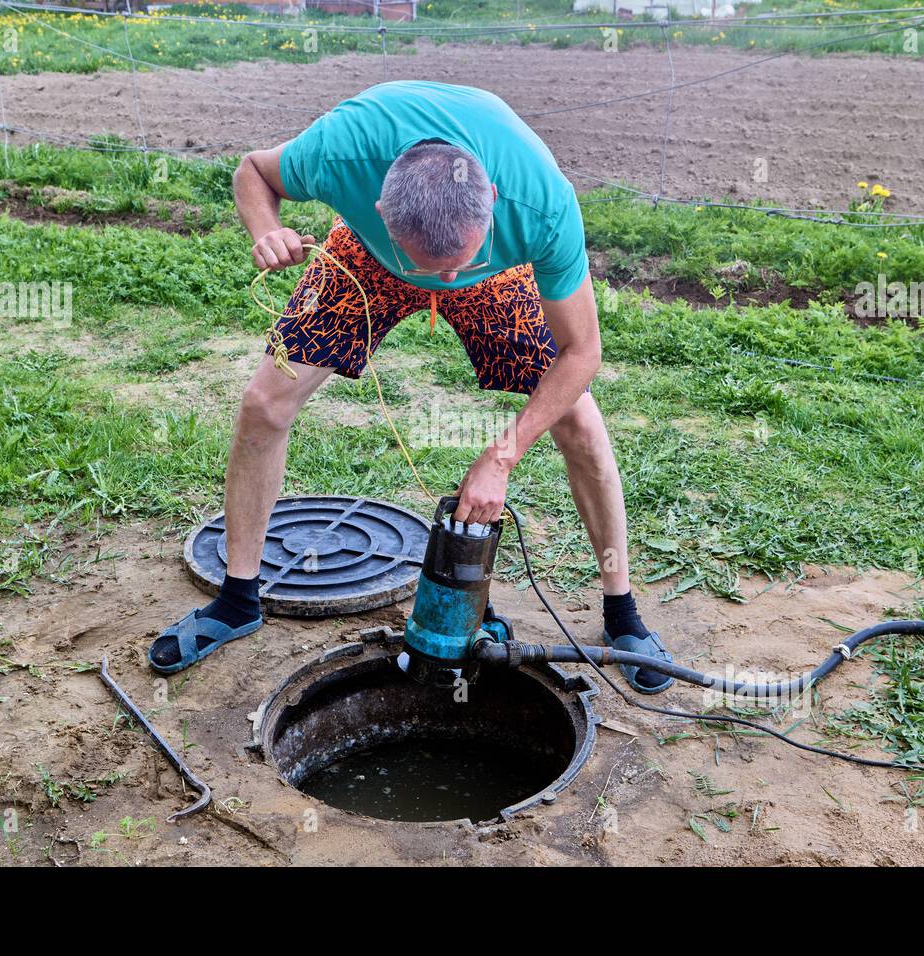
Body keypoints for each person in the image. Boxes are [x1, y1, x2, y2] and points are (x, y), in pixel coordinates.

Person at [149, 81, 675, 693]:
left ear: (494, 201)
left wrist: (501, 455)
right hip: (367, 260)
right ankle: (237, 601)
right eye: (434, 267)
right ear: (378, 208)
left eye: (456, 263)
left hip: (496, 276)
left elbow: (583, 352)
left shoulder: (541, 206)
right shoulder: (340, 152)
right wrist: (264, 227)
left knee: (580, 424)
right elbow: (252, 172)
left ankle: (623, 614)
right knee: (264, 404)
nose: (446, 280)